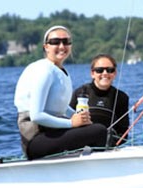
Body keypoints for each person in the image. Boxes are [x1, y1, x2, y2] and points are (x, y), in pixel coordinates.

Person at [14, 26, 107, 160]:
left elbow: (61, 108)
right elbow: (36, 116)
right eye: (56, 42)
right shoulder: (44, 71)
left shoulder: (60, 71)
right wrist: (71, 123)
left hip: (51, 133)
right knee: (98, 131)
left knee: (100, 129)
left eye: (66, 42)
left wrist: (79, 117)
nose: (62, 46)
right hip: (35, 140)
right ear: (46, 47)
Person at [70, 54, 129, 146]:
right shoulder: (80, 93)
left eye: (110, 70)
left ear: (115, 73)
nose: (105, 73)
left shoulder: (121, 97)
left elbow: (124, 132)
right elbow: (68, 122)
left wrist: (111, 143)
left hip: (107, 147)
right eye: (99, 70)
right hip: (80, 145)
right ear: (92, 73)